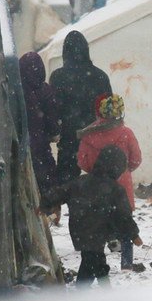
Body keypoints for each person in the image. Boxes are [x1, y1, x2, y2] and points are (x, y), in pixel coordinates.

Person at [41, 145, 141, 287]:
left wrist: (45, 204)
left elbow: (60, 192)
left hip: (79, 229)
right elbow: (123, 216)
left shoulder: (81, 182)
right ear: (117, 168)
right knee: (95, 260)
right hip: (99, 232)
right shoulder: (115, 189)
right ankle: (101, 292)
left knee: (90, 260)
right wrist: (133, 234)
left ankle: (84, 291)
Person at [77, 93, 145, 273]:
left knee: (98, 226)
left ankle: (98, 263)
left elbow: (81, 161)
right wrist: (125, 170)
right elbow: (136, 158)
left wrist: (94, 172)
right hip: (122, 183)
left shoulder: (88, 134)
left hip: (96, 186)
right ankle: (126, 264)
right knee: (125, 222)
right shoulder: (126, 133)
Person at [49, 30, 112, 185]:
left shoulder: (58, 76)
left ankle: (73, 208)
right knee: (100, 182)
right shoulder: (100, 76)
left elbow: (53, 109)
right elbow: (109, 110)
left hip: (69, 137)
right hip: (96, 136)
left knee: (68, 183)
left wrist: (55, 130)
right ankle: (97, 208)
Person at [19, 51, 59, 199]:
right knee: (45, 182)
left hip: (20, 144)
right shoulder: (45, 90)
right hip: (41, 144)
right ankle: (47, 210)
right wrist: (54, 132)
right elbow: (52, 117)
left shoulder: (16, 90)